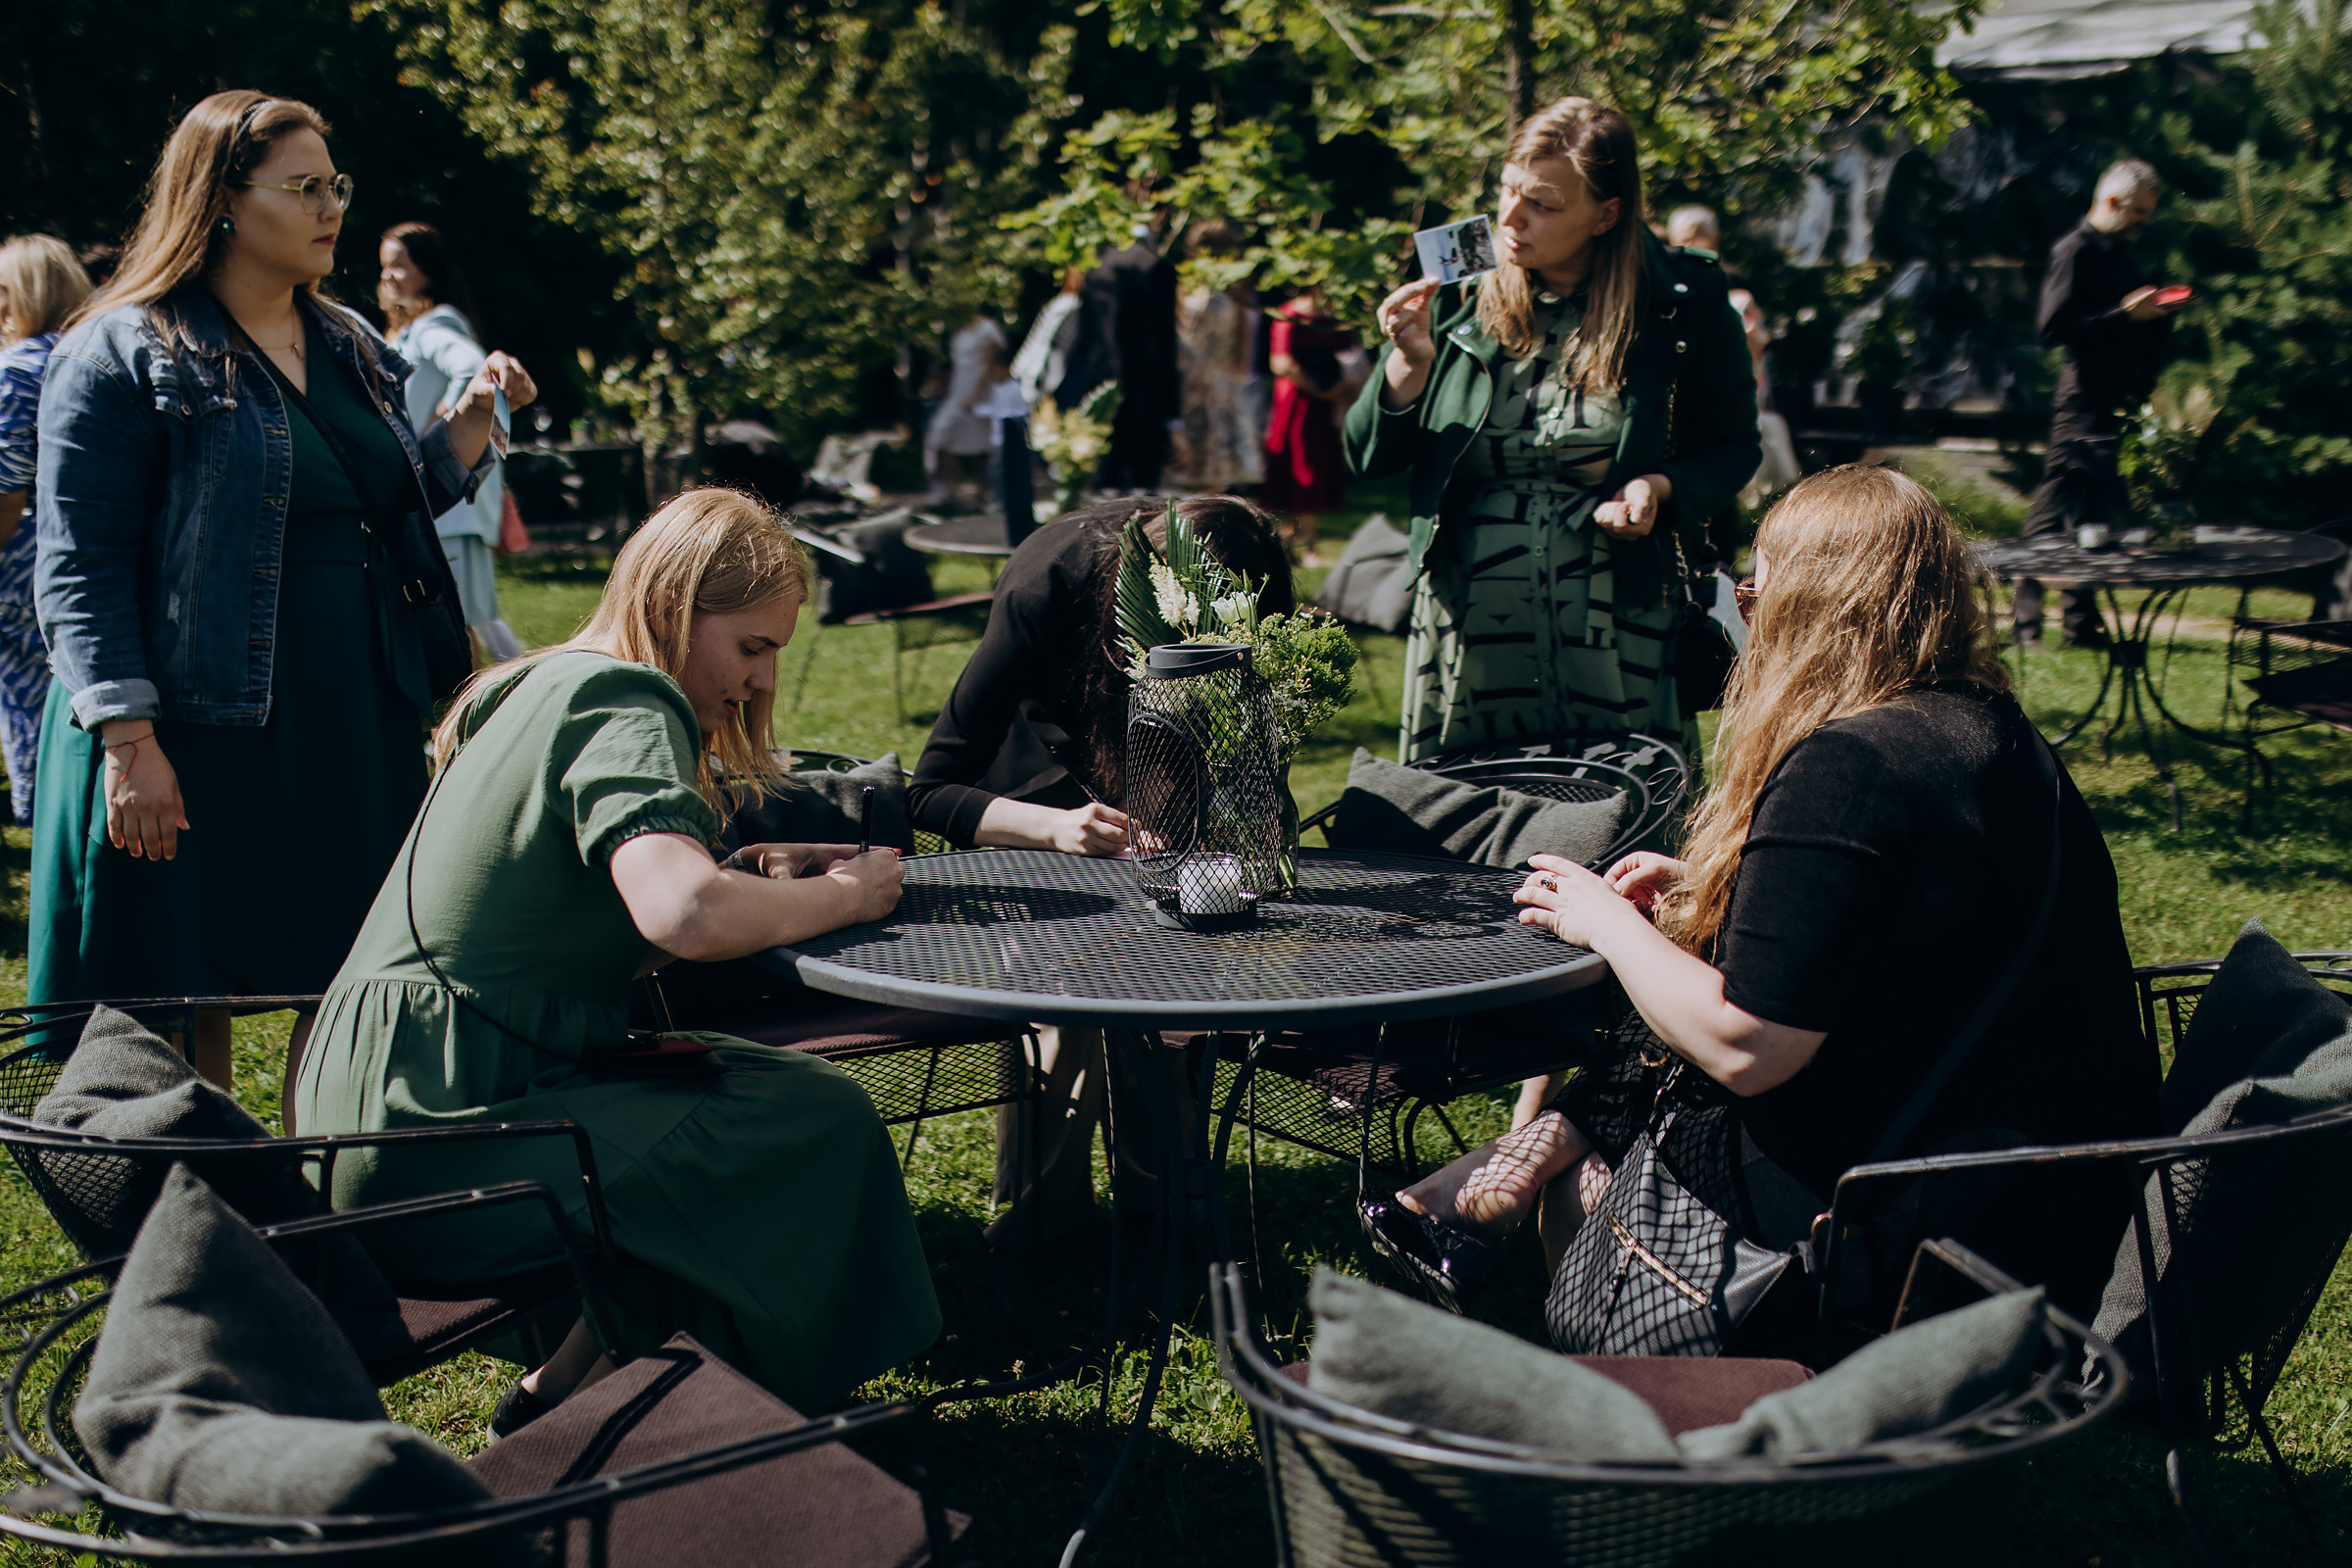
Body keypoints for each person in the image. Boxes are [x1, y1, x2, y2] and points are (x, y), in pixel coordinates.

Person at [1386, 466, 2161, 1336]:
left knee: (1623, 1125)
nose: (1745, 622)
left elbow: (1749, 1046)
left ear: (1811, 610)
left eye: (1755, 596)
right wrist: (1734, 891)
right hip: (2043, 1206)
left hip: (1902, 1248)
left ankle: (1589, 1291)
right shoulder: (1994, 730)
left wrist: (1603, 924)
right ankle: (1492, 1189)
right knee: (1676, 985)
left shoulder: (1850, 765)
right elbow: (1935, 921)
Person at [295, 487, 937, 1423]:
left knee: (757, 1098)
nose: (761, 683)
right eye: (752, 647)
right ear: (674, 607)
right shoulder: (624, 694)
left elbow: (596, 923)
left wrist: (757, 880)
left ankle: (568, 1398)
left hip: (364, 1106)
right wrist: (845, 895)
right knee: (808, 1119)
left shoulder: (526, 683)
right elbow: (681, 914)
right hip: (444, 1122)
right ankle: (729, 1417)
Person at [31, 91, 530, 1098]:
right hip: (195, 721)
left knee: (346, 972)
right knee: (184, 989)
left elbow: (377, 505)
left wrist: (468, 431)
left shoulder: (348, 339)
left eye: (334, 184)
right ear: (219, 200)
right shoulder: (123, 348)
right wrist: (129, 741)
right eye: (301, 187)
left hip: (353, 707)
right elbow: (76, 562)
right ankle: (202, 1210)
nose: (329, 206)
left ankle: (318, 1192)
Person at [908, 495, 1294, 1244]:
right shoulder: (1045, 584)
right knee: (1066, 991)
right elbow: (929, 791)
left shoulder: (1248, 612)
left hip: (1161, 815)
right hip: (1036, 802)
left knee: (1173, 973)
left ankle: (1164, 1200)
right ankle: (1044, 1216)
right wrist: (1060, 829)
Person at [1348, 98, 1761, 769]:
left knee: (1613, 828)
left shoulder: (1683, 297)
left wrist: (1658, 487)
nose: (1509, 217)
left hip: (1616, 620)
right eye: (1508, 190)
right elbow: (1366, 455)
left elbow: (1734, 446)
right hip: (1469, 624)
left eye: (1541, 203)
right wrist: (1409, 361)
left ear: (1608, 213)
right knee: (1463, 830)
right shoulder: (1457, 284)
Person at [2016, 159, 2188, 649]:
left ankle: (2080, 624)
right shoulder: (2073, 251)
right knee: (2053, 510)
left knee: (2091, 518)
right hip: (2082, 396)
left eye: (2148, 213)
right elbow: (2053, 329)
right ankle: (2027, 625)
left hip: (2116, 395)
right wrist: (2122, 314)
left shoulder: (2120, 252)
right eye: (2137, 212)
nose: (2144, 222)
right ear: (2111, 202)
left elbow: (2129, 323)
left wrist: (2158, 314)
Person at [378, 220, 525, 662]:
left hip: (451, 508)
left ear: (428, 271)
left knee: (459, 625)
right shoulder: (409, 331)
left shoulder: (433, 326)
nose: (388, 276)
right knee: (465, 623)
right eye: (383, 267)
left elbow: (473, 368)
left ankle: (485, 720)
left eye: (399, 266)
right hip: (442, 507)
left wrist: (438, 427)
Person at [0, 236, 92, 827]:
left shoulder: (17, 368)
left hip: (21, 559)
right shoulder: (89, 351)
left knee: (26, 701)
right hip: (87, 551)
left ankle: (42, 820)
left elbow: (6, 489)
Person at [1067, 224, 1188, 491]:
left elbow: (1085, 338)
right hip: (1145, 397)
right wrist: (1172, 414)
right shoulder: (1155, 267)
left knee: (1105, 485)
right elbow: (1161, 345)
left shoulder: (1098, 265)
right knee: (1140, 492)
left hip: (1100, 392)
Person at [1262, 287, 1361, 565]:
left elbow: (1350, 356)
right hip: (1296, 403)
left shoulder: (1334, 317)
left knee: (1315, 468)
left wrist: (1338, 391)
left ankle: (1295, 543)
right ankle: (1301, 545)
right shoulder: (1288, 315)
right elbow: (1281, 363)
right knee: (1294, 467)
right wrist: (1320, 391)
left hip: (1326, 404)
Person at [1166, 219, 1264, 495]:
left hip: (1201, 390)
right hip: (1219, 390)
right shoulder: (1235, 294)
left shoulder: (1203, 293)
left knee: (1201, 484)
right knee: (1209, 484)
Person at [925, 311, 1006, 509]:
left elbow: (989, 364)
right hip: (957, 394)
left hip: (980, 395)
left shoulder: (988, 329)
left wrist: (975, 395)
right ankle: (946, 491)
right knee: (940, 437)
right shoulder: (958, 330)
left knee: (981, 447)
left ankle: (984, 492)